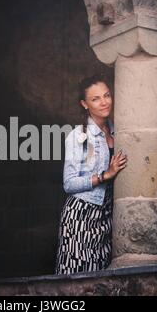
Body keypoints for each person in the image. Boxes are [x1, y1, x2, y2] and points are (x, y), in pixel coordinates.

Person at [55, 74, 127, 274]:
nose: (104, 102)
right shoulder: (78, 136)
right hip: (81, 214)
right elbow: (68, 184)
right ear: (84, 104)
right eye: (96, 99)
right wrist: (105, 175)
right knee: (76, 278)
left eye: (107, 95)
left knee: (101, 281)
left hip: (106, 217)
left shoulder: (121, 132)